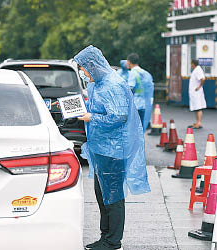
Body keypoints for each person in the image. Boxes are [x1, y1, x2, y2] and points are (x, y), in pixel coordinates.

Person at [73, 45, 151, 250]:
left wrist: (92, 117)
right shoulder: (98, 84)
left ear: (93, 65)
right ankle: (105, 236)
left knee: (113, 196)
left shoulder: (113, 84)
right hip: (101, 148)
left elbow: (119, 116)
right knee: (102, 195)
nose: (83, 72)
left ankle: (113, 241)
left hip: (113, 150)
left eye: (84, 68)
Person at [126, 53, 154, 132]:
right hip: (145, 104)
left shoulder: (132, 73)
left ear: (129, 62)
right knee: (141, 129)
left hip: (136, 105)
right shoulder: (146, 73)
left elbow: (130, 89)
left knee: (134, 130)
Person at [188, 59, 206, 129]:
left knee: (198, 107)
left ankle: (199, 123)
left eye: (191, 64)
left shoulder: (198, 70)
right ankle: (197, 122)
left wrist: (199, 87)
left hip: (197, 92)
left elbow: (203, 79)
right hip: (194, 92)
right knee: (196, 107)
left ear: (193, 64)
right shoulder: (196, 70)